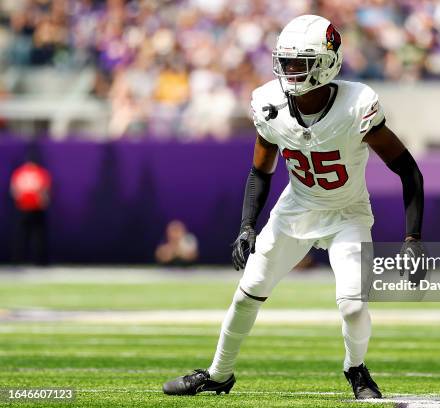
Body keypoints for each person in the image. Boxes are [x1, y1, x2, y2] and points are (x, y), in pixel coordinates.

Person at [162, 15, 424, 400]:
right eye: (285, 62)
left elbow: (409, 171)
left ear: (328, 62)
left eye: (300, 62)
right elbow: (260, 170)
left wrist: (412, 237)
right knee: (247, 292)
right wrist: (247, 225)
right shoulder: (269, 104)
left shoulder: (357, 106)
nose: (290, 71)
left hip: (347, 214)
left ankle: (356, 369)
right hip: (296, 210)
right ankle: (218, 374)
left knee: (352, 306)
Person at [10, 157, 52, 265]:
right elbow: (44, 190)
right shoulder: (40, 172)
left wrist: (19, 201)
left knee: (22, 236)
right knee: (38, 236)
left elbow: (14, 190)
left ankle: (18, 261)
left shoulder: (19, 172)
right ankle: (40, 262)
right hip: (36, 207)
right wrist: (43, 202)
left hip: (23, 208)